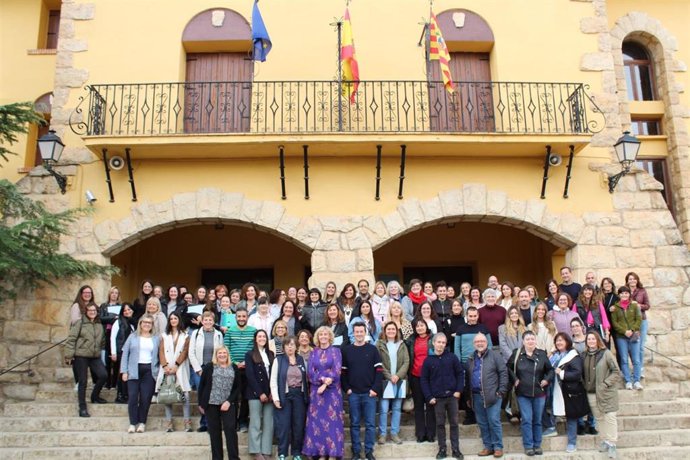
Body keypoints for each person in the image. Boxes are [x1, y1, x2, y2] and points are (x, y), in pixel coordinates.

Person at [507, 331, 554, 457]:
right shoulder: (517, 353)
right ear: (523, 341)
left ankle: (537, 445)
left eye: (532, 339)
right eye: (527, 339)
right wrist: (515, 379)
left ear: (535, 340)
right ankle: (528, 445)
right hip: (523, 393)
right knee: (527, 419)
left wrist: (546, 380)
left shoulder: (542, 354)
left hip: (539, 393)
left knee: (537, 420)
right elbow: (508, 368)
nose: (530, 341)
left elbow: (550, 370)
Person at [342, 322, 384, 460]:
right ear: (353, 333)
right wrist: (347, 389)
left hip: (369, 394)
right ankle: (356, 452)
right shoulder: (347, 350)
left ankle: (368, 451)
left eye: (361, 331)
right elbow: (343, 372)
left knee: (370, 425)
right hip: (353, 393)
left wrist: (375, 389)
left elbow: (379, 371)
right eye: (357, 331)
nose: (359, 334)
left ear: (365, 333)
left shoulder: (372, 349)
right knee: (354, 424)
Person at [303, 326, 345, 460]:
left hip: (332, 392)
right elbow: (310, 372)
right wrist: (321, 380)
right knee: (317, 423)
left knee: (332, 423)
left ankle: (332, 454)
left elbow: (337, 370)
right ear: (317, 337)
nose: (323, 337)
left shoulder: (336, 351)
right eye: (321, 334)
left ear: (330, 336)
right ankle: (321, 453)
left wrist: (327, 383)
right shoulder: (314, 352)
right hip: (316, 392)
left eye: (326, 334)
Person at [421, 333, 465, 460]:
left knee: (454, 424)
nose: (441, 345)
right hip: (437, 399)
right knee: (440, 424)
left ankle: (456, 449)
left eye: (443, 343)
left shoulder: (452, 357)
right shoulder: (428, 360)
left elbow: (460, 374)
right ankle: (442, 449)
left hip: (452, 397)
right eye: (438, 342)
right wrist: (429, 396)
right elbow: (424, 380)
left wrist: (458, 390)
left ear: (446, 344)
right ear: (433, 343)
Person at [467, 332, 508, 458]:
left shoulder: (495, 356)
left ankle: (498, 447)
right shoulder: (471, 358)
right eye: (477, 342)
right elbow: (468, 377)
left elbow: (503, 373)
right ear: (474, 344)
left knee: (494, 421)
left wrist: (501, 391)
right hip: (476, 395)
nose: (480, 343)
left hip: (493, 395)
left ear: (487, 343)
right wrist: (468, 397)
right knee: (482, 422)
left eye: (482, 341)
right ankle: (488, 447)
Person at [64, 303, 107, 417]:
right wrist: (69, 355)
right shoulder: (80, 323)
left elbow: (102, 340)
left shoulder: (99, 325)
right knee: (83, 381)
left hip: (94, 356)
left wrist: (100, 349)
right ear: (86, 312)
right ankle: (82, 407)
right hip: (81, 355)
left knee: (103, 375)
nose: (92, 312)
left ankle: (95, 396)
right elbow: (71, 339)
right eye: (90, 310)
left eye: (94, 310)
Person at [198, 346, 241, 460]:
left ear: (228, 354)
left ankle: (234, 458)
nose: (222, 355)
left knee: (230, 430)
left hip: (228, 404)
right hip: (211, 404)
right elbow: (202, 386)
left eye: (224, 353)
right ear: (216, 355)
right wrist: (201, 403)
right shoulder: (209, 367)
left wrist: (229, 401)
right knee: (214, 433)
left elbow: (237, 388)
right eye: (219, 353)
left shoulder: (234, 367)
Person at [583, 331, 621, 459]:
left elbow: (616, 371)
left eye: (593, 339)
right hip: (591, 392)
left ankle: (612, 444)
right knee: (599, 418)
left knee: (610, 417)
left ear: (598, 340)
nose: (591, 341)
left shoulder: (606, 353)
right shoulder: (584, 355)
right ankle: (605, 440)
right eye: (589, 339)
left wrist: (605, 383)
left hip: (606, 392)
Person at [121, 314, 161, 433]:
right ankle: (133, 423)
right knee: (133, 397)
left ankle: (142, 422)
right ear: (140, 324)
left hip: (149, 370)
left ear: (152, 325)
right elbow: (125, 354)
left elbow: (160, 354)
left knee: (145, 398)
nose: (147, 324)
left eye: (149, 323)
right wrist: (124, 371)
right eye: (145, 322)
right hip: (133, 370)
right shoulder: (133, 336)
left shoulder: (156, 338)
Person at [454, 306, 492, 426]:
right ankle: (469, 415)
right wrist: (459, 363)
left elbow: (489, 345)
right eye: (470, 316)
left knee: (480, 388)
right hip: (466, 362)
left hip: (481, 361)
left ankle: (481, 414)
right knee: (467, 390)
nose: (473, 318)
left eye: (475, 316)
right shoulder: (461, 329)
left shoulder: (483, 328)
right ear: (467, 316)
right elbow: (457, 348)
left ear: (478, 316)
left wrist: (487, 359)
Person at [270, 336, 307, 460]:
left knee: (298, 425)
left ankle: (297, 452)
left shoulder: (301, 359)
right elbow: (273, 380)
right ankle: (282, 453)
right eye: (287, 345)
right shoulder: (278, 360)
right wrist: (275, 398)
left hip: (299, 396)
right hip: (284, 395)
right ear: (284, 347)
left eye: (292, 344)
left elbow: (306, 379)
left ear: (296, 346)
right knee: (283, 425)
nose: (290, 347)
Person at [552, 332, 589, 454]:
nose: (559, 343)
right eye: (557, 341)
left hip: (571, 390)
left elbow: (577, 373)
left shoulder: (574, 356)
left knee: (571, 417)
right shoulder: (555, 356)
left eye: (561, 340)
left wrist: (561, 373)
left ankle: (572, 442)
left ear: (567, 342)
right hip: (557, 389)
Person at [156, 311, 192, 432]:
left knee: (185, 395)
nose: (173, 320)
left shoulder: (185, 335)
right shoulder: (164, 335)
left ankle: (187, 422)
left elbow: (185, 351)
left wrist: (176, 365)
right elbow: (161, 351)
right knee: (168, 394)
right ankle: (169, 422)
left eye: (175, 318)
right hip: (166, 367)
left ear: (179, 320)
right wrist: (165, 366)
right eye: (171, 319)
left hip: (180, 367)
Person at [189, 311, 224, 432]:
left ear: (214, 322)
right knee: (202, 395)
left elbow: (221, 352)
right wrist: (198, 369)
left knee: (213, 396)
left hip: (214, 368)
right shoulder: (195, 334)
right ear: (202, 321)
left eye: (210, 320)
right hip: (200, 369)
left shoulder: (218, 334)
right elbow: (191, 352)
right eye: (206, 320)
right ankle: (204, 422)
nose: (208, 322)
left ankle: (211, 423)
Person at [376, 322, 409, 446]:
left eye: (393, 329)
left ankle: (394, 433)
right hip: (385, 381)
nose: (391, 331)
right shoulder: (379, 344)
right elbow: (378, 361)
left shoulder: (402, 344)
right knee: (384, 409)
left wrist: (398, 376)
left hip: (399, 381)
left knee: (396, 408)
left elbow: (406, 361)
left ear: (396, 331)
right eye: (388, 329)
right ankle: (382, 434)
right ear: (385, 331)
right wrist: (389, 376)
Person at [246, 330, 275, 460]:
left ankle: (266, 451)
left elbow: (273, 375)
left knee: (269, 423)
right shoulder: (250, 354)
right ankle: (256, 451)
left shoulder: (271, 354)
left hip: (269, 393)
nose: (262, 338)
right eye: (259, 336)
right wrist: (260, 393)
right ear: (255, 339)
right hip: (255, 393)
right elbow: (250, 376)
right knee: (255, 422)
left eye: (264, 336)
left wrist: (270, 392)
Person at [611, 286, 643, 390]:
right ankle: (628, 381)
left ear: (629, 294)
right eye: (622, 293)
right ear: (619, 295)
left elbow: (638, 319)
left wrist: (632, 330)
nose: (624, 295)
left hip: (633, 336)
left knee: (636, 359)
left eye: (626, 293)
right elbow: (614, 323)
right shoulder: (615, 308)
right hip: (621, 337)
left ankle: (637, 380)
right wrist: (624, 331)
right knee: (624, 359)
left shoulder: (634, 306)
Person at [409, 319, 435, 442]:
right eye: (417, 326)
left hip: (431, 377)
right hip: (416, 376)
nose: (420, 328)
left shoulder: (433, 338)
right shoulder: (412, 340)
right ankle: (420, 433)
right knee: (418, 406)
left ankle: (430, 433)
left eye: (422, 325)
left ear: (426, 326)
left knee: (430, 405)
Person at [626, 272, 650, 378]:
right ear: (627, 281)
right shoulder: (625, 292)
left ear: (637, 280)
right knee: (632, 346)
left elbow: (648, 305)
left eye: (634, 279)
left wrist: (639, 305)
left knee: (640, 346)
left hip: (642, 320)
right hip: (629, 321)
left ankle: (640, 368)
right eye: (630, 279)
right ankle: (635, 367)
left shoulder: (642, 291)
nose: (632, 281)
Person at [110, 302, 136, 404]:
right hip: (121, 352)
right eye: (125, 310)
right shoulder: (118, 322)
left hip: (131, 353)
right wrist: (113, 352)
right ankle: (120, 395)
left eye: (129, 309)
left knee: (128, 374)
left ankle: (126, 395)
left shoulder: (133, 323)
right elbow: (113, 337)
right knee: (122, 374)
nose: (127, 312)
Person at [100, 286, 121, 389]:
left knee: (116, 358)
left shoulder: (120, 306)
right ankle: (107, 382)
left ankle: (114, 382)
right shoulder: (104, 306)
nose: (114, 295)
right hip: (106, 333)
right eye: (112, 293)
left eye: (116, 293)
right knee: (107, 359)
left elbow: (122, 319)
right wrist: (113, 317)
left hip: (117, 335)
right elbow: (101, 318)